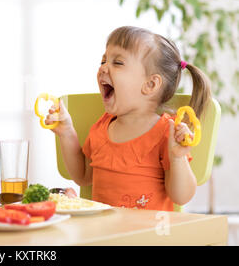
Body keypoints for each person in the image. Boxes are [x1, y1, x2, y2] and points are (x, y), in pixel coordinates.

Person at [47, 26, 211, 211]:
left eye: (117, 63)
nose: (103, 68)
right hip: (106, 236)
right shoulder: (102, 127)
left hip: (148, 236)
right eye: (103, 60)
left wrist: (177, 157)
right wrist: (66, 132)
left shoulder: (167, 132)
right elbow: (83, 177)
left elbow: (181, 197)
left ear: (150, 84)